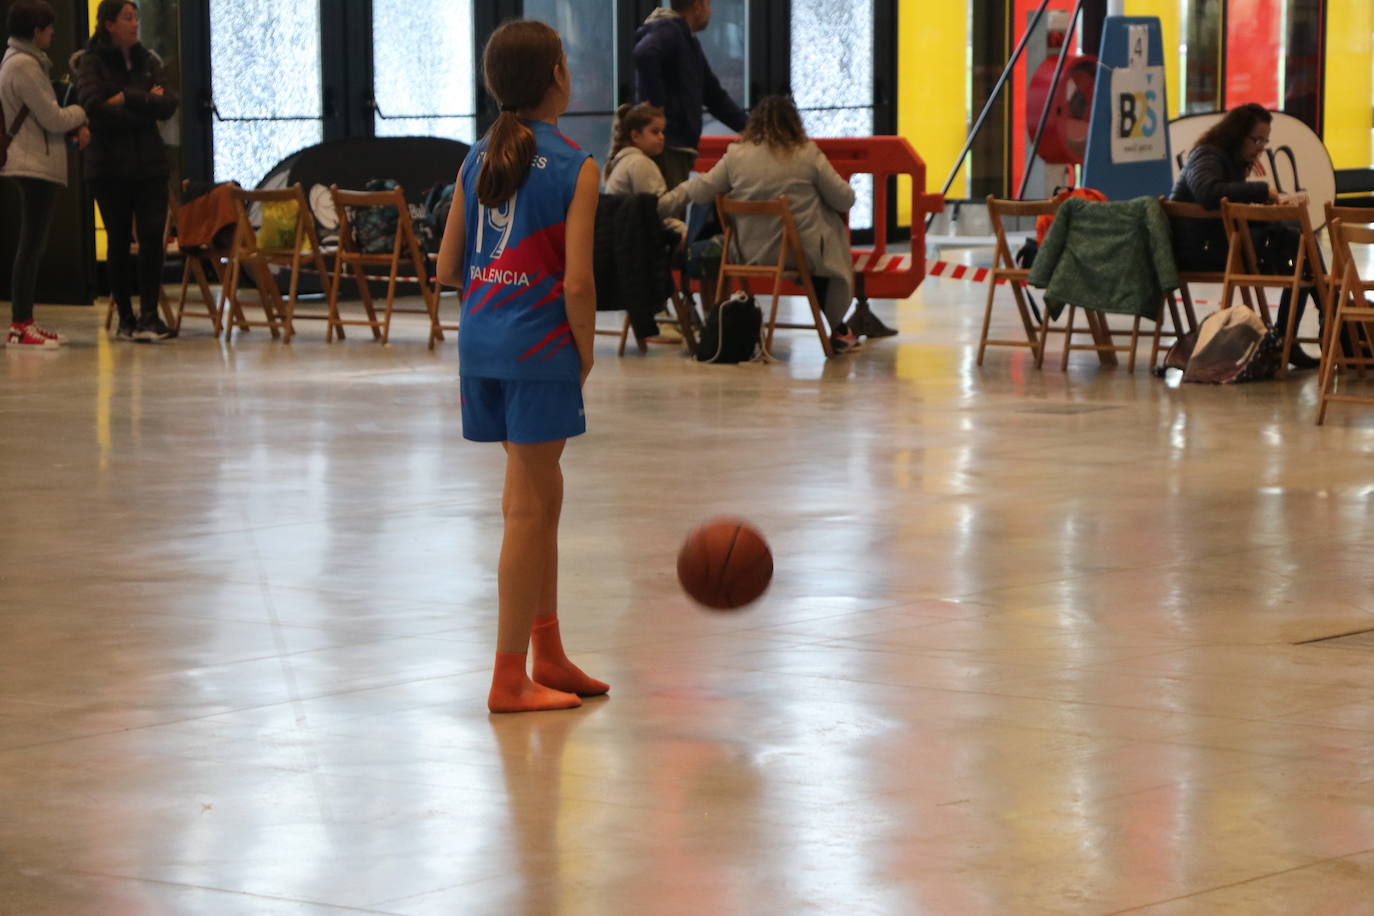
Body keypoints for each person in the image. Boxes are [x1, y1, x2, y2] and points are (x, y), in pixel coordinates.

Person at [435, 20, 605, 714]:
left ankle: (549, 651)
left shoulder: (477, 160)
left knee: (543, 497)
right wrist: (585, 350)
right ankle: (509, 677)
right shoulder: (575, 165)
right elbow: (578, 285)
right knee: (526, 510)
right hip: (539, 350)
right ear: (559, 75)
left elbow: (447, 268)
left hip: (483, 345)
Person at [660, 94, 864, 354]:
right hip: (796, 254)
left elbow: (700, 191)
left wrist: (660, 204)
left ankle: (839, 327)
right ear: (794, 123)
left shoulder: (736, 155)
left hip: (744, 254)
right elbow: (845, 200)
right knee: (827, 239)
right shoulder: (807, 153)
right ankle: (837, 327)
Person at [1169, 102, 1318, 369]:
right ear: (1236, 135)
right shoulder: (1207, 156)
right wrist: (1261, 193)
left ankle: (1292, 337)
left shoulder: (1228, 161)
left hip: (1215, 246)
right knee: (1301, 248)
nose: (1261, 147)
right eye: (1256, 140)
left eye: (1265, 141)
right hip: (1199, 253)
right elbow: (1209, 193)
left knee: (1301, 250)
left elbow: (1226, 204)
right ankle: (1309, 333)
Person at [76, 0, 178, 343]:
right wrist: (143, 102)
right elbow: (93, 107)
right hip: (108, 168)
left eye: (136, 18)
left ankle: (150, 315)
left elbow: (168, 104)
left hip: (150, 165)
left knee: (151, 238)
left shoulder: (148, 59)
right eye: (127, 18)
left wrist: (126, 98)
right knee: (118, 241)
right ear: (108, 23)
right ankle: (126, 317)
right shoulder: (91, 62)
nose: (135, 24)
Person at [1, 0, 89, 348]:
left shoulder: (20, 62)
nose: (53, 33)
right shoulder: (24, 65)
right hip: (33, 163)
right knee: (31, 245)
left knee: (32, 245)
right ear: (36, 29)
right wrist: (80, 112)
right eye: (49, 27)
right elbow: (52, 117)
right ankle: (21, 324)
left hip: (32, 160)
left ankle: (25, 321)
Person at [633, 0, 746, 190]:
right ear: (698, 5)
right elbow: (644, 53)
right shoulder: (671, 32)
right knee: (667, 212)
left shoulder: (685, 40)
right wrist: (656, 107)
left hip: (674, 147)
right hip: (668, 147)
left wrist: (751, 128)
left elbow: (713, 95)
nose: (710, 12)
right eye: (708, 5)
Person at [604, 101, 686, 240]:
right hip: (634, 242)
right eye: (655, 132)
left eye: (662, 131)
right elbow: (656, 211)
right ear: (635, 136)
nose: (661, 137)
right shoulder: (639, 162)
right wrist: (688, 190)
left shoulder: (626, 160)